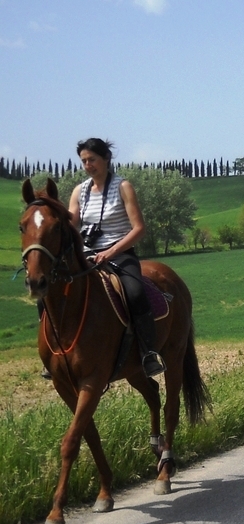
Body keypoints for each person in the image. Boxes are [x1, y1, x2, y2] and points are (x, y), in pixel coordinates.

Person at [68, 138, 165, 378]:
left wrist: (110, 252)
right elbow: (70, 226)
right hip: (86, 257)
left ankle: (148, 353)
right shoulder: (79, 192)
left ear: (106, 159)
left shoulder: (123, 187)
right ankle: (55, 352)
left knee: (134, 292)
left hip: (119, 254)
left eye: (92, 159)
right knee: (51, 290)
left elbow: (139, 229)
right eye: (84, 161)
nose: (88, 165)